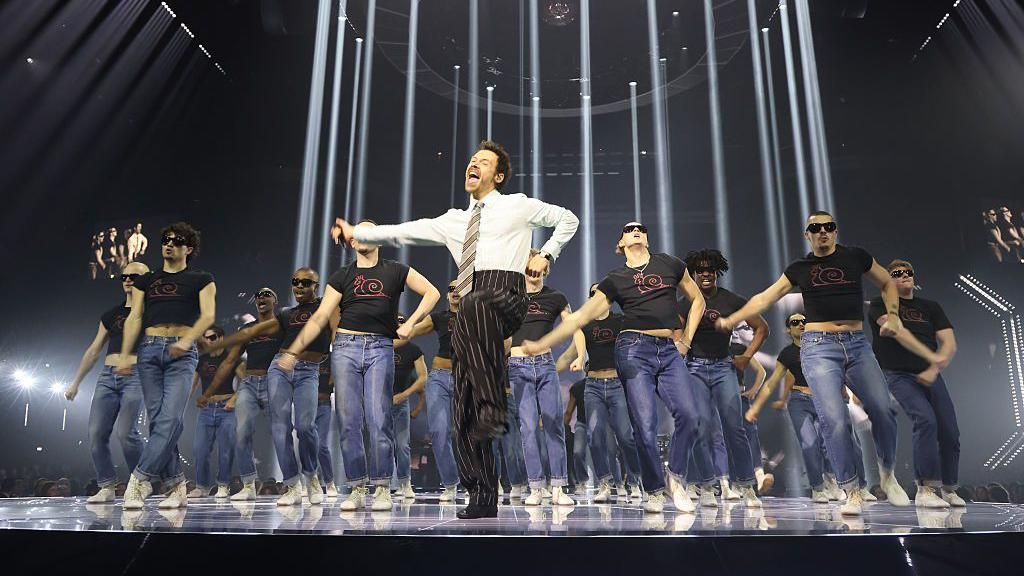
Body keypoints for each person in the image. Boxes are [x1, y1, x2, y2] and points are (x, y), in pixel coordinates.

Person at [331, 141, 578, 519]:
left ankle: (492, 405)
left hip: (504, 295)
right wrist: (359, 233)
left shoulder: (518, 205)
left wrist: (547, 253)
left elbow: (568, 219)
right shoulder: (453, 220)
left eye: (484, 162)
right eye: (472, 160)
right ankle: (482, 494)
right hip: (471, 313)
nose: (473, 164)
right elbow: (405, 231)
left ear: (498, 175)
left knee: (475, 305)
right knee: (463, 409)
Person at [717, 211, 949, 515]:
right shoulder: (800, 268)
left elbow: (886, 283)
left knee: (883, 409)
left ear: (836, 231)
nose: (823, 231)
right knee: (834, 420)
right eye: (816, 228)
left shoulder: (856, 256)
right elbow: (766, 297)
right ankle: (851, 490)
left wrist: (893, 315)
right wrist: (733, 318)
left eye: (828, 226)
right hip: (819, 347)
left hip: (857, 343)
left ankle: (888, 473)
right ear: (808, 234)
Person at [521, 222, 710, 514]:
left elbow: (697, 300)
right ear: (620, 243)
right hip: (633, 349)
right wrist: (543, 342)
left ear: (647, 238)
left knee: (689, 415)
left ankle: (675, 477)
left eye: (641, 229)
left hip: (669, 350)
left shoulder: (670, 264)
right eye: (629, 230)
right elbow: (580, 317)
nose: (636, 230)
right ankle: (654, 490)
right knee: (644, 425)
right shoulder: (615, 279)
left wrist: (686, 340)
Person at [281, 221, 439, 512]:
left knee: (379, 418)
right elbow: (320, 317)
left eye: (369, 232)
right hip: (345, 347)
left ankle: (382, 487)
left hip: (380, 348)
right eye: (358, 234)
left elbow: (432, 293)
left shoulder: (396, 270)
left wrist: (411, 324)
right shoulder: (342, 275)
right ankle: (356, 487)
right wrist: (294, 350)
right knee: (349, 421)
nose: (363, 237)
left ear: (378, 239)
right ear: (352, 242)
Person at [203, 268, 335, 506]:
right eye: (295, 281)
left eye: (305, 282)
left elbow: (334, 329)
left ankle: (311, 475)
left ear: (316, 285)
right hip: (280, 368)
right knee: (280, 428)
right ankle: (292, 484)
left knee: (305, 427)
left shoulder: (326, 306)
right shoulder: (286, 314)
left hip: (308, 371)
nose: (299, 286)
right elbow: (256, 330)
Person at [118, 223, 216, 510]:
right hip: (149, 351)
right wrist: (125, 354)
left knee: (170, 419)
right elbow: (135, 317)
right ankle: (176, 485)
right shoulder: (146, 281)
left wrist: (186, 340)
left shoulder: (202, 278)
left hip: (182, 354)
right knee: (158, 421)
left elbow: (208, 316)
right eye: (165, 239)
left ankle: (140, 479)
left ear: (189, 248)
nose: (169, 244)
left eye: (177, 240)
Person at [868, 260, 964, 508]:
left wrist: (933, 367)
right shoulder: (879, 304)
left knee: (950, 431)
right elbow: (897, 331)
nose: (904, 275)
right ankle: (926, 489)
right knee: (925, 420)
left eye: (908, 272)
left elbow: (949, 343)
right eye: (897, 273)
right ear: (888, 280)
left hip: (931, 374)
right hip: (897, 374)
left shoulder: (930, 307)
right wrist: (932, 356)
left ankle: (949, 488)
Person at [678, 249, 767, 507]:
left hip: (723, 367)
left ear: (717, 272)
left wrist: (747, 356)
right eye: (700, 270)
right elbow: (676, 336)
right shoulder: (684, 302)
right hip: (694, 368)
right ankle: (707, 486)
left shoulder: (731, 300)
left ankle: (747, 486)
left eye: (710, 269)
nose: (705, 274)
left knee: (734, 428)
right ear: (693, 273)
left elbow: (762, 328)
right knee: (701, 428)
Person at [65, 262, 150, 503]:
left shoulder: (153, 313)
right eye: (124, 276)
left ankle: (140, 483)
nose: (128, 280)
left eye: (134, 276)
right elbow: (94, 349)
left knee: (126, 434)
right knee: (96, 434)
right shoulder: (111, 314)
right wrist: (76, 382)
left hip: (136, 374)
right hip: (107, 376)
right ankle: (106, 486)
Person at [508, 250, 582, 506]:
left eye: (541, 266)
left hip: (545, 365)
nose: (536, 271)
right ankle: (536, 487)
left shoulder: (556, 297)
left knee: (553, 425)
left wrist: (580, 354)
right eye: (531, 265)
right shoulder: (511, 296)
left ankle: (559, 487)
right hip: (517, 366)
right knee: (528, 429)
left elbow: (573, 326)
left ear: (545, 269)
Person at [557, 282, 643, 501]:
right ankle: (605, 483)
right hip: (593, 386)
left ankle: (635, 481)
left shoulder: (620, 321)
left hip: (617, 385)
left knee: (626, 437)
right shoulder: (585, 325)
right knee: (594, 437)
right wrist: (566, 363)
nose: (596, 296)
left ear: (609, 300)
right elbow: (573, 352)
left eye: (601, 293)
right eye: (592, 294)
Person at [746, 313, 842, 502]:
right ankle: (817, 488)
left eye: (804, 321)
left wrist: (843, 391)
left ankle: (831, 480)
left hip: (823, 398)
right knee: (809, 443)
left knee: (828, 444)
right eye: (795, 322)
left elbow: (836, 372)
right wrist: (755, 407)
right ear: (788, 329)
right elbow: (773, 382)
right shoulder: (788, 354)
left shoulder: (821, 348)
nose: (800, 325)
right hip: (799, 401)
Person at [205, 288, 283, 501]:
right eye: (257, 296)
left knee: (282, 433)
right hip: (249, 382)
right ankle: (249, 484)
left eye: (266, 294)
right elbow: (230, 360)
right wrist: (210, 391)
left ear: (275, 300)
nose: (261, 298)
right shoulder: (247, 329)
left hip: (274, 382)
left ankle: (294, 483)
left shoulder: (281, 325)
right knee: (241, 433)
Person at [402, 281, 464, 502]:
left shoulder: (476, 316)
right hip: (439, 377)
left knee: (471, 433)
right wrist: (401, 330)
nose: (455, 291)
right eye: (451, 289)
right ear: (447, 295)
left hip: (468, 379)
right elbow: (412, 330)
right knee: (438, 431)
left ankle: (478, 482)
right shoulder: (439, 317)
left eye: (460, 288)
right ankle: (450, 483)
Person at [188, 326, 236, 499]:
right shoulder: (201, 360)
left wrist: (233, 400)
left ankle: (223, 485)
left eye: (212, 337)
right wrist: (180, 403)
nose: (208, 341)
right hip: (206, 409)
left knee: (226, 450)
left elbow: (246, 381)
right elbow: (192, 384)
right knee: (200, 450)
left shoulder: (232, 358)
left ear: (221, 338)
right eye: (206, 338)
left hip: (226, 409)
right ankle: (201, 487)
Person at [729, 339, 773, 494]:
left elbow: (761, 371)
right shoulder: (711, 350)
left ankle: (759, 477)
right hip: (718, 400)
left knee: (750, 434)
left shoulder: (739, 348)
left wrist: (754, 390)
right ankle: (734, 483)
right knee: (728, 439)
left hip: (740, 397)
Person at [392, 313, 428, 499]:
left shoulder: (413, 350)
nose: (399, 325)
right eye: (396, 322)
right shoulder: (381, 347)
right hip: (378, 401)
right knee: (380, 444)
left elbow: (423, 378)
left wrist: (405, 395)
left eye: (402, 322)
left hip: (400, 402)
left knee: (402, 445)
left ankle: (405, 483)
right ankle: (382, 484)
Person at [315, 355, 340, 497]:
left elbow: (333, 379)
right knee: (307, 445)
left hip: (324, 403)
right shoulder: (307, 355)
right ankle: (311, 482)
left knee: (321, 445)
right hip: (307, 404)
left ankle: (329, 481)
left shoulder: (332, 358)